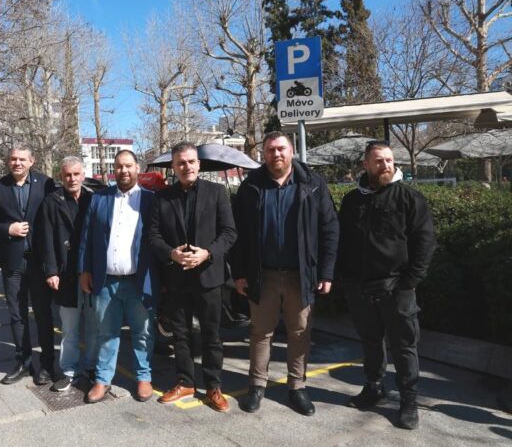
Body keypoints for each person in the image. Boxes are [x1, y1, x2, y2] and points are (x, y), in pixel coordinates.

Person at [231, 131, 339, 416]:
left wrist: (326, 273)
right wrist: (239, 273)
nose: (276, 154)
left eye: (281, 149)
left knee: (300, 332)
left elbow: (329, 229)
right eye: (270, 150)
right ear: (264, 154)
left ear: (291, 151)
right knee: (260, 332)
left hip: (300, 274)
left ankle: (297, 387)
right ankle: (257, 385)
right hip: (262, 274)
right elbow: (237, 234)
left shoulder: (312, 184)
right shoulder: (250, 186)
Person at [336, 140, 436, 430]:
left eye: (389, 160)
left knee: (404, 345)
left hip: (397, 287)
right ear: (366, 164)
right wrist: (346, 279)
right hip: (360, 288)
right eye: (379, 161)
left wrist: (409, 281)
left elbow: (425, 241)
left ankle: (409, 399)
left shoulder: (409, 198)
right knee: (370, 341)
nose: (386, 165)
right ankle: (374, 387)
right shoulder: (352, 201)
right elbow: (342, 241)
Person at [148, 142, 237, 412]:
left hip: (209, 277)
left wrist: (207, 254)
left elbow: (229, 232)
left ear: (198, 164)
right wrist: (171, 254)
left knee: (211, 335)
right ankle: (185, 382)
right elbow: (153, 235)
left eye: (191, 161)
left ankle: (213, 386)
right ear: (174, 167)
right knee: (180, 335)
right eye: (181, 163)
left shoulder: (217, 192)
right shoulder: (162, 197)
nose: (186, 166)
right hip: (176, 278)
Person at [78, 150, 157, 404]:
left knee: (142, 332)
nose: (124, 170)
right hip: (106, 280)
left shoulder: (151, 200)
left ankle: (143, 377)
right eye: (119, 166)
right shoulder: (99, 198)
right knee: (106, 333)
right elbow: (87, 238)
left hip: (139, 280)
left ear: (138, 168)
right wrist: (84, 271)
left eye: (128, 166)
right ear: (114, 169)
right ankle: (102, 379)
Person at [0, 145, 56, 385]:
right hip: (13, 262)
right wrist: (7, 229)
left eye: (22, 159)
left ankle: (47, 364)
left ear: (32, 161)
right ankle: (23, 362)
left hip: (40, 262)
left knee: (43, 314)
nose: (17, 163)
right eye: (13, 159)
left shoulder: (46, 184)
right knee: (16, 315)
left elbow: (55, 217)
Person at [34, 156, 96, 392]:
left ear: (83, 175)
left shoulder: (94, 198)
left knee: (93, 327)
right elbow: (45, 239)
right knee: (69, 329)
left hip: (91, 272)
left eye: (76, 174)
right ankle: (69, 370)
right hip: (65, 274)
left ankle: (91, 367)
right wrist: (51, 270)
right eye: (67, 175)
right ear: (61, 177)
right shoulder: (51, 201)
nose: (72, 178)